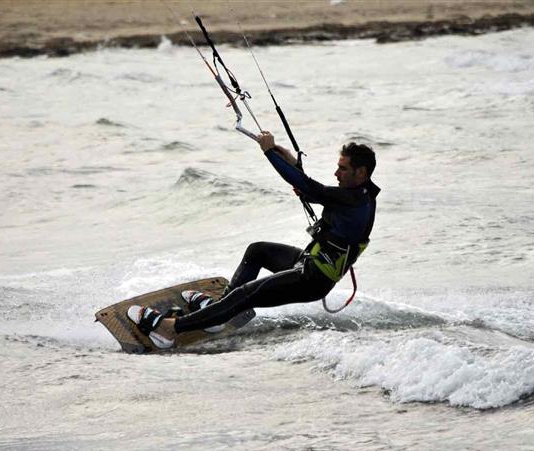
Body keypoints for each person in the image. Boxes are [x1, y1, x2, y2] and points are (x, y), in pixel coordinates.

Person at [127, 131, 380, 349]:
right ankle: (218, 312)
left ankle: (171, 329)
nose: (336, 173)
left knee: (245, 295)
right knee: (257, 251)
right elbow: (313, 190)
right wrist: (292, 164)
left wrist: (268, 151)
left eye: (343, 168)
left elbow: (314, 191)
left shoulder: (355, 200)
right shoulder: (359, 193)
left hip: (312, 279)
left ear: (361, 172)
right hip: (307, 263)